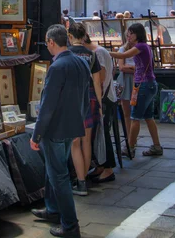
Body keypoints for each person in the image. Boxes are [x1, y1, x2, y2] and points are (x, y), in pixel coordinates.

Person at [30, 24, 90, 238]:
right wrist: (79, 122)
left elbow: (47, 106)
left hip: (55, 129)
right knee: (54, 170)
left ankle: (70, 226)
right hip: (71, 126)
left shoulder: (57, 67)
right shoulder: (81, 62)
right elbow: (85, 98)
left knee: (59, 176)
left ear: (52, 42)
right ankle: (53, 210)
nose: (47, 46)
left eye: (47, 43)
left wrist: (37, 134)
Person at [110, 23, 163, 159]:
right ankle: (156, 146)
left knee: (135, 118)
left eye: (131, 33)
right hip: (147, 84)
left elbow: (122, 56)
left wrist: (103, 51)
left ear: (138, 34)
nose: (129, 36)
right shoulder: (144, 47)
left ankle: (130, 147)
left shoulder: (140, 46)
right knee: (148, 117)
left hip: (144, 85)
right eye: (128, 33)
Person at [68, 23, 102, 196]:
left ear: (70, 36)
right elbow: (97, 81)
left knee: (75, 142)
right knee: (87, 141)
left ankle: (80, 181)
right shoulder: (91, 55)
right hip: (89, 97)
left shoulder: (67, 54)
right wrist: (100, 102)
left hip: (73, 99)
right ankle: (85, 178)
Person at [84, 41, 117, 183]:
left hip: (103, 98)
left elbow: (101, 78)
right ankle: (101, 165)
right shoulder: (99, 51)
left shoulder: (97, 52)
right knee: (99, 133)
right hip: (103, 97)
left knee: (103, 134)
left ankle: (108, 168)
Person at [117, 39, 135, 148]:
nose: (130, 38)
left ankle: (132, 139)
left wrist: (129, 67)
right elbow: (121, 67)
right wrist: (135, 68)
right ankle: (129, 138)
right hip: (125, 80)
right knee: (126, 112)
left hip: (136, 80)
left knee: (136, 113)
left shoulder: (140, 49)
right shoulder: (123, 49)